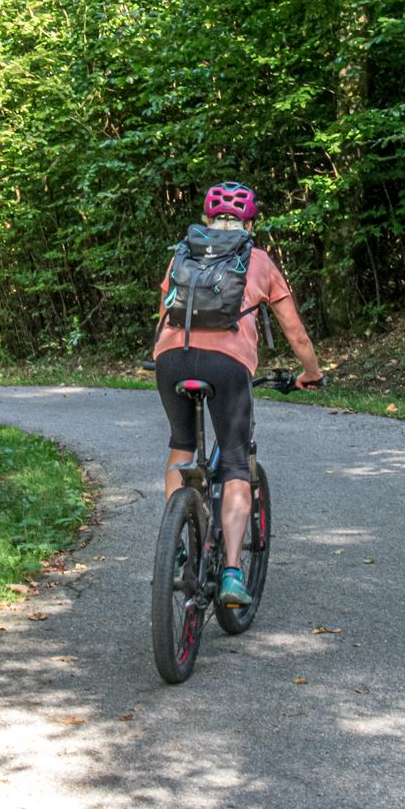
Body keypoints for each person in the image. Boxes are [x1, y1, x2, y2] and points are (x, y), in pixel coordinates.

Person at [153, 182, 324, 609]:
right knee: (233, 463)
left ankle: (174, 547)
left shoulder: (183, 253)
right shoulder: (259, 261)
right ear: (250, 222)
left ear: (208, 219)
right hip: (228, 367)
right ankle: (231, 572)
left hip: (171, 359)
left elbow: (163, 315)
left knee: (181, 445)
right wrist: (311, 373)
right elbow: (295, 332)